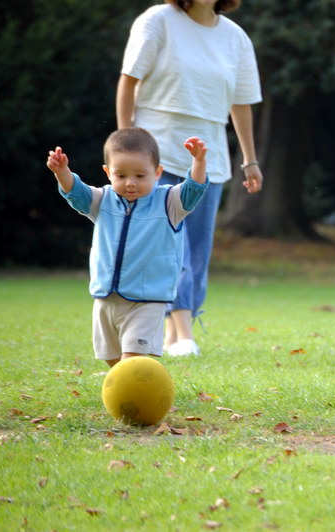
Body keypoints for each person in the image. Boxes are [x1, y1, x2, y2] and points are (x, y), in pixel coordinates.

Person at [116, 0, 264, 357]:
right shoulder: (158, 21)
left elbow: (240, 103)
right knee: (170, 246)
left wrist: (249, 160)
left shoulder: (236, 38)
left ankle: (173, 336)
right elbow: (128, 82)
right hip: (158, 152)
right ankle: (181, 332)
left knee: (197, 252)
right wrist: (127, 147)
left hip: (208, 157)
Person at [46, 127, 209, 367]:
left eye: (140, 176)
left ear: (157, 172)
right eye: (121, 175)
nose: (130, 183)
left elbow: (193, 190)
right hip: (106, 298)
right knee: (112, 360)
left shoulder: (169, 203)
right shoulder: (103, 200)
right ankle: (127, 393)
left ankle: (137, 398)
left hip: (147, 300)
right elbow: (77, 193)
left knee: (131, 360)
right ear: (107, 172)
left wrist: (199, 162)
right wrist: (62, 172)